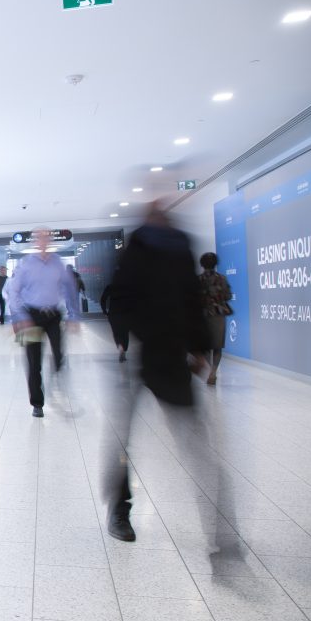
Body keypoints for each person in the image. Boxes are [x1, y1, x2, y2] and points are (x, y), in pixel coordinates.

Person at [102, 203, 209, 542]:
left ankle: (219, 531)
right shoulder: (136, 249)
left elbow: (193, 298)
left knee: (195, 440)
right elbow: (119, 298)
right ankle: (120, 507)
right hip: (142, 355)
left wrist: (197, 346)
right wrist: (124, 340)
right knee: (123, 439)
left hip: (173, 357)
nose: (160, 213)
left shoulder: (181, 245)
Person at [7, 228, 80, 417]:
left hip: (53, 315)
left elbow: (70, 289)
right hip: (29, 316)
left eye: (46, 237)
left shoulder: (58, 263)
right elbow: (12, 293)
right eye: (40, 238)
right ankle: (37, 404)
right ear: (35, 242)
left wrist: (73, 316)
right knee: (33, 361)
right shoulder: (25, 265)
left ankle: (55, 377)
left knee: (58, 354)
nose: (43, 241)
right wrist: (20, 318)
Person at [199, 252, 233, 385]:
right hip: (219, 314)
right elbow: (228, 296)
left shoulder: (198, 280)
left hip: (202, 315)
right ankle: (214, 371)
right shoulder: (222, 279)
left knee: (204, 346)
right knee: (217, 346)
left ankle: (210, 370)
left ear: (202, 264)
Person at [100, 279, 130, 362]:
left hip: (113, 313)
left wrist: (104, 311)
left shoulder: (110, 287)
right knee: (125, 332)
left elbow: (103, 299)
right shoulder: (127, 286)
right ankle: (124, 351)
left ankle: (120, 347)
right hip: (126, 313)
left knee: (116, 332)